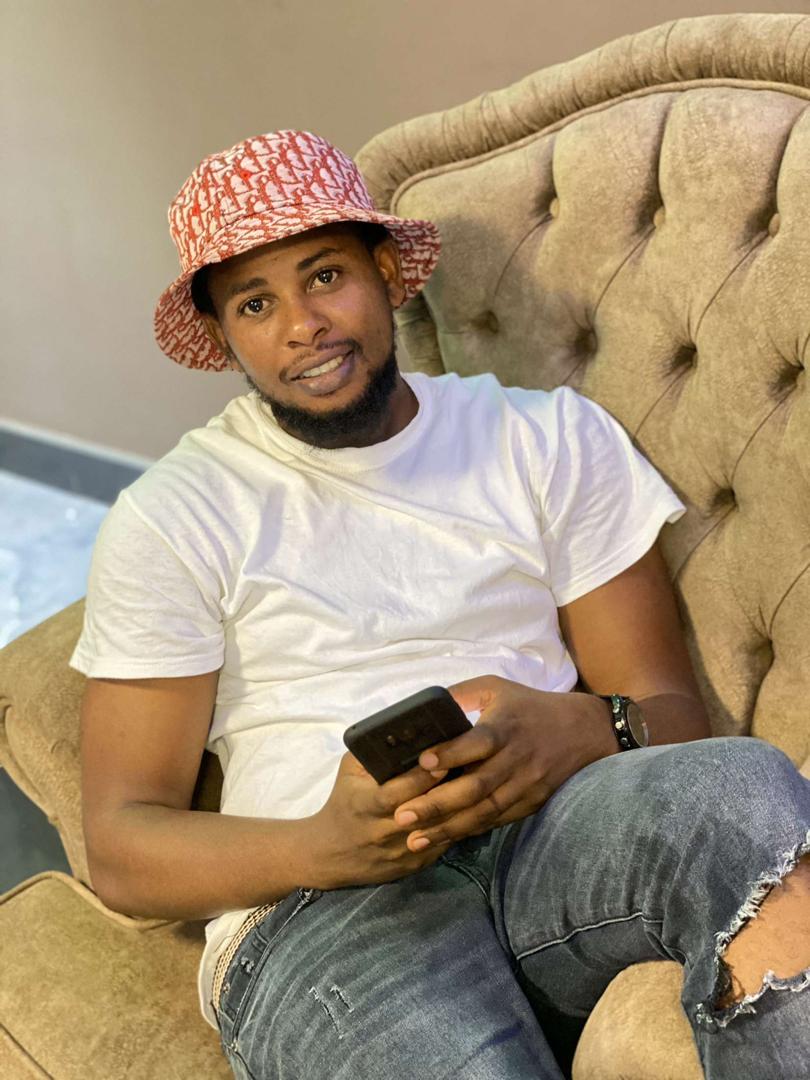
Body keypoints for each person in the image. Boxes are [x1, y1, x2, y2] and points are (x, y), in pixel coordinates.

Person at [71, 130, 810, 1080]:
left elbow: (670, 714)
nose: (302, 326)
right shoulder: (174, 515)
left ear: (385, 273)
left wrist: (591, 728)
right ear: (223, 339)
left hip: (556, 832)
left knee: (741, 786)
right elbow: (123, 847)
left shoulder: (547, 438)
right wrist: (324, 847)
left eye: (325, 275)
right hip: (320, 912)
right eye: (256, 303)